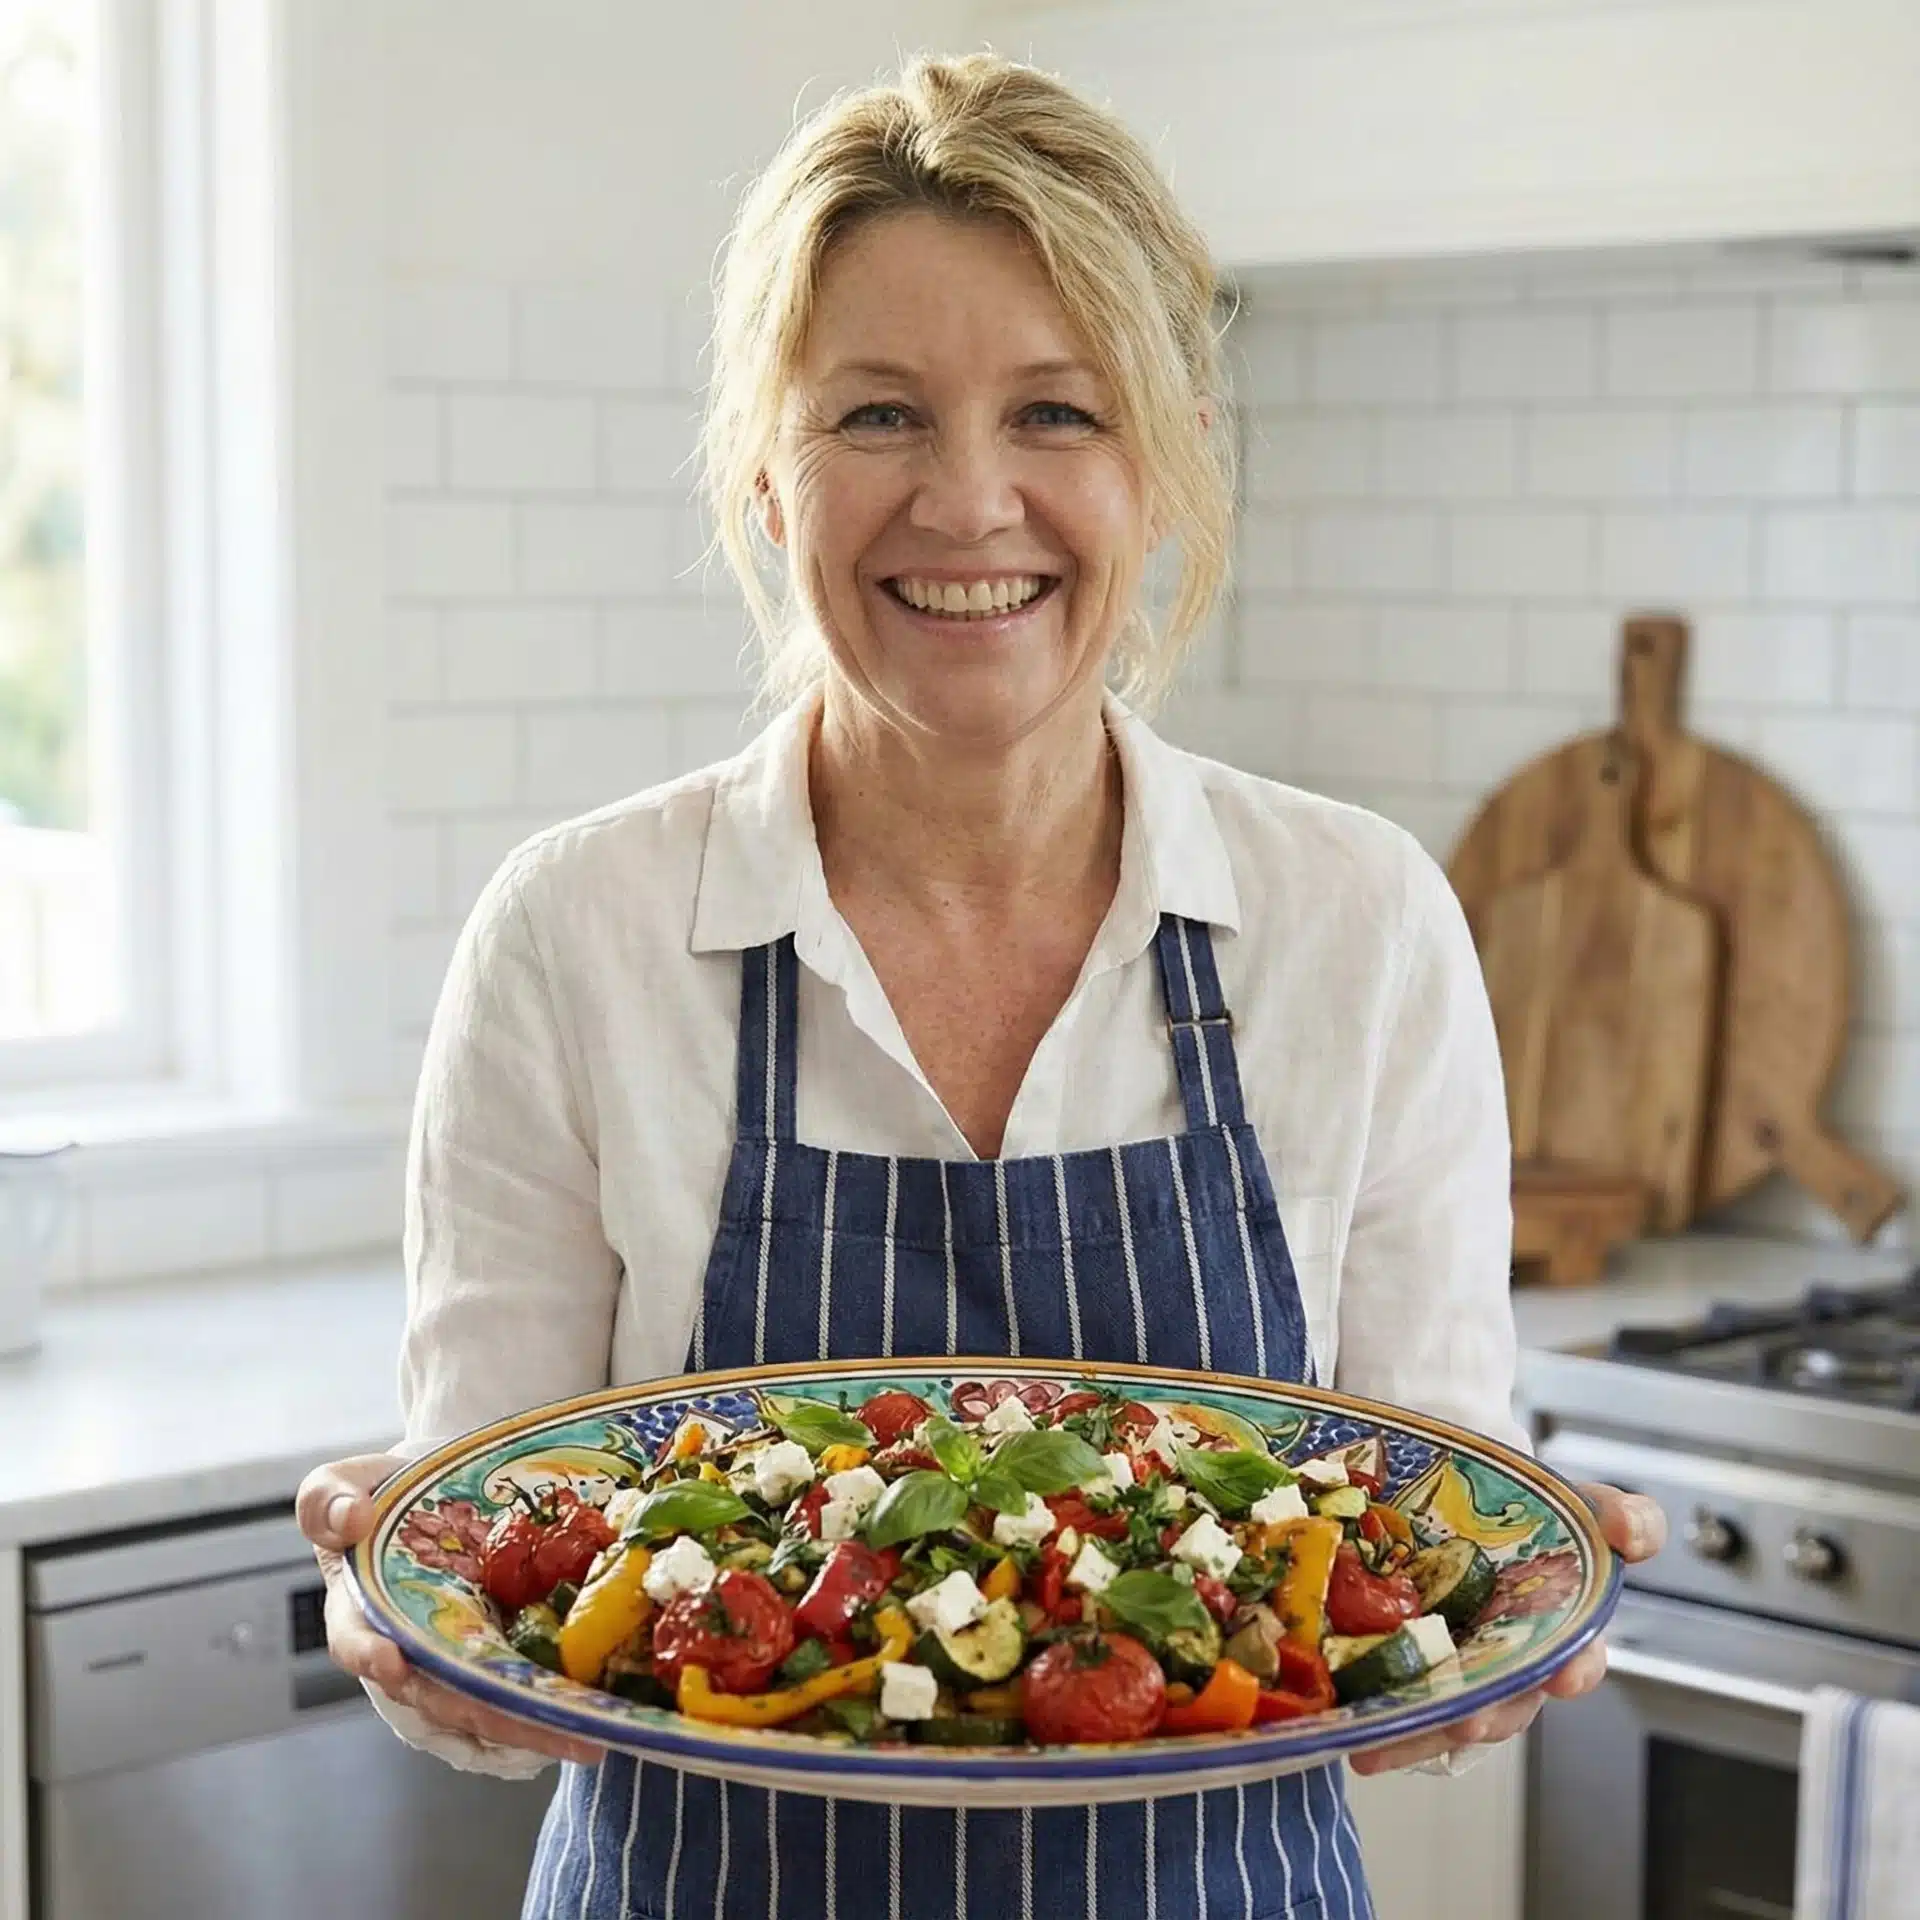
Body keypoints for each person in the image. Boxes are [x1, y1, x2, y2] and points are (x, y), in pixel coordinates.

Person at [298, 50, 1663, 1920]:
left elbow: (1430, 1550)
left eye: (1055, 412)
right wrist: (414, 1628)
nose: (967, 501)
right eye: (875, 416)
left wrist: (1484, 1637)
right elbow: (491, 1591)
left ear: (1163, 458)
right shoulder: (579, 934)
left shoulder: (1358, 922)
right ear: (765, 479)